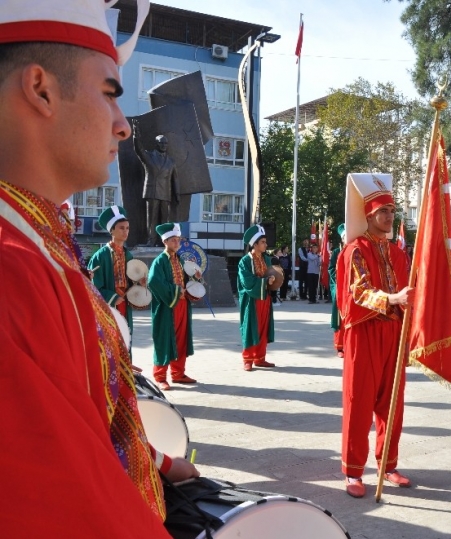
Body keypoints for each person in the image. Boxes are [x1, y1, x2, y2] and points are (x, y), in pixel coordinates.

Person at [0, 1, 197, 534]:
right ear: (40, 89)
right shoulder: (12, 270)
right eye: (111, 93)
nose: (123, 126)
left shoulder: (41, 240)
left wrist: (156, 462)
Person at [336, 173, 413, 498]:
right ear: (369, 215)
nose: (389, 217)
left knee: (392, 403)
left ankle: (388, 465)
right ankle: (353, 472)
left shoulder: (398, 252)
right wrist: (393, 299)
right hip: (364, 333)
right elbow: (358, 291)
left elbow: (412, 291)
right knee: (359, 403)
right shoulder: (356, 249)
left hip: (393, 333)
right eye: (383, 212)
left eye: (392, 211)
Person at [88, 205, 142, 364]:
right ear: (111, 230)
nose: (126, 232)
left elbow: (131, 279)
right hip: (110, 307)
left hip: (125, 304)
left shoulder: (129, 255)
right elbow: (93, 286)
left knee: (125, 339)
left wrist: (139, 283)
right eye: (121, 228)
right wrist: (111, 297)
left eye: (127, 228)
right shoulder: (100, 256)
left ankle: (125, 376)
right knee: (109, 341)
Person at [148, 223, 199, 391]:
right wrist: (177, 291)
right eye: (173, 240)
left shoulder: (181, 260)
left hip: (183, 306)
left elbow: (187, 282)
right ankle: (160, 376)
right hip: (167, 307)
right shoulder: (159, 261)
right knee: (164, 339)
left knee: (181, 339)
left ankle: (178, 373)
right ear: (165, 242)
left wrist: (195, 279)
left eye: (178, 240)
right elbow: (154, 282)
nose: (177, 243)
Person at [238, 225, 279, 371]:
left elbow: (271, 275)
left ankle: (260, 358)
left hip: (265, 298)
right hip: (252, 300)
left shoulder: (267, 259)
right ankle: (248, 359)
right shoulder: (245, 261)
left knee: (263, 328)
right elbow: (247, 281)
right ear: (254, 244)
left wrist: (275, 279)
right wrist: (264, 282)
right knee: (250, 327)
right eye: (263, 242)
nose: (266, 244)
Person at [132, 123, 177, 247]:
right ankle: (151, 241)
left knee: (164, 220)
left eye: (165, 143)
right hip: (152, 191)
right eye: (161, 143)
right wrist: (136, 135)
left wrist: (176, 194)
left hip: (166, 194)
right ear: (156, 144)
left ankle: (164, 241)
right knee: (151, 218)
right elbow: (138, 149)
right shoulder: (149, 156)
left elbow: (174, 179)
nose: (164, 145)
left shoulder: (171, 161)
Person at [329, 223, 347, 358]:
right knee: (339, 318)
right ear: (342, 238)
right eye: (346, 236)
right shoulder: (336, 252)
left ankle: (350, 344)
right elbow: (330, 269)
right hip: (340, 287)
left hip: (352, 288)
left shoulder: (356, 250)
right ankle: (339, 346)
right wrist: (340, 279)